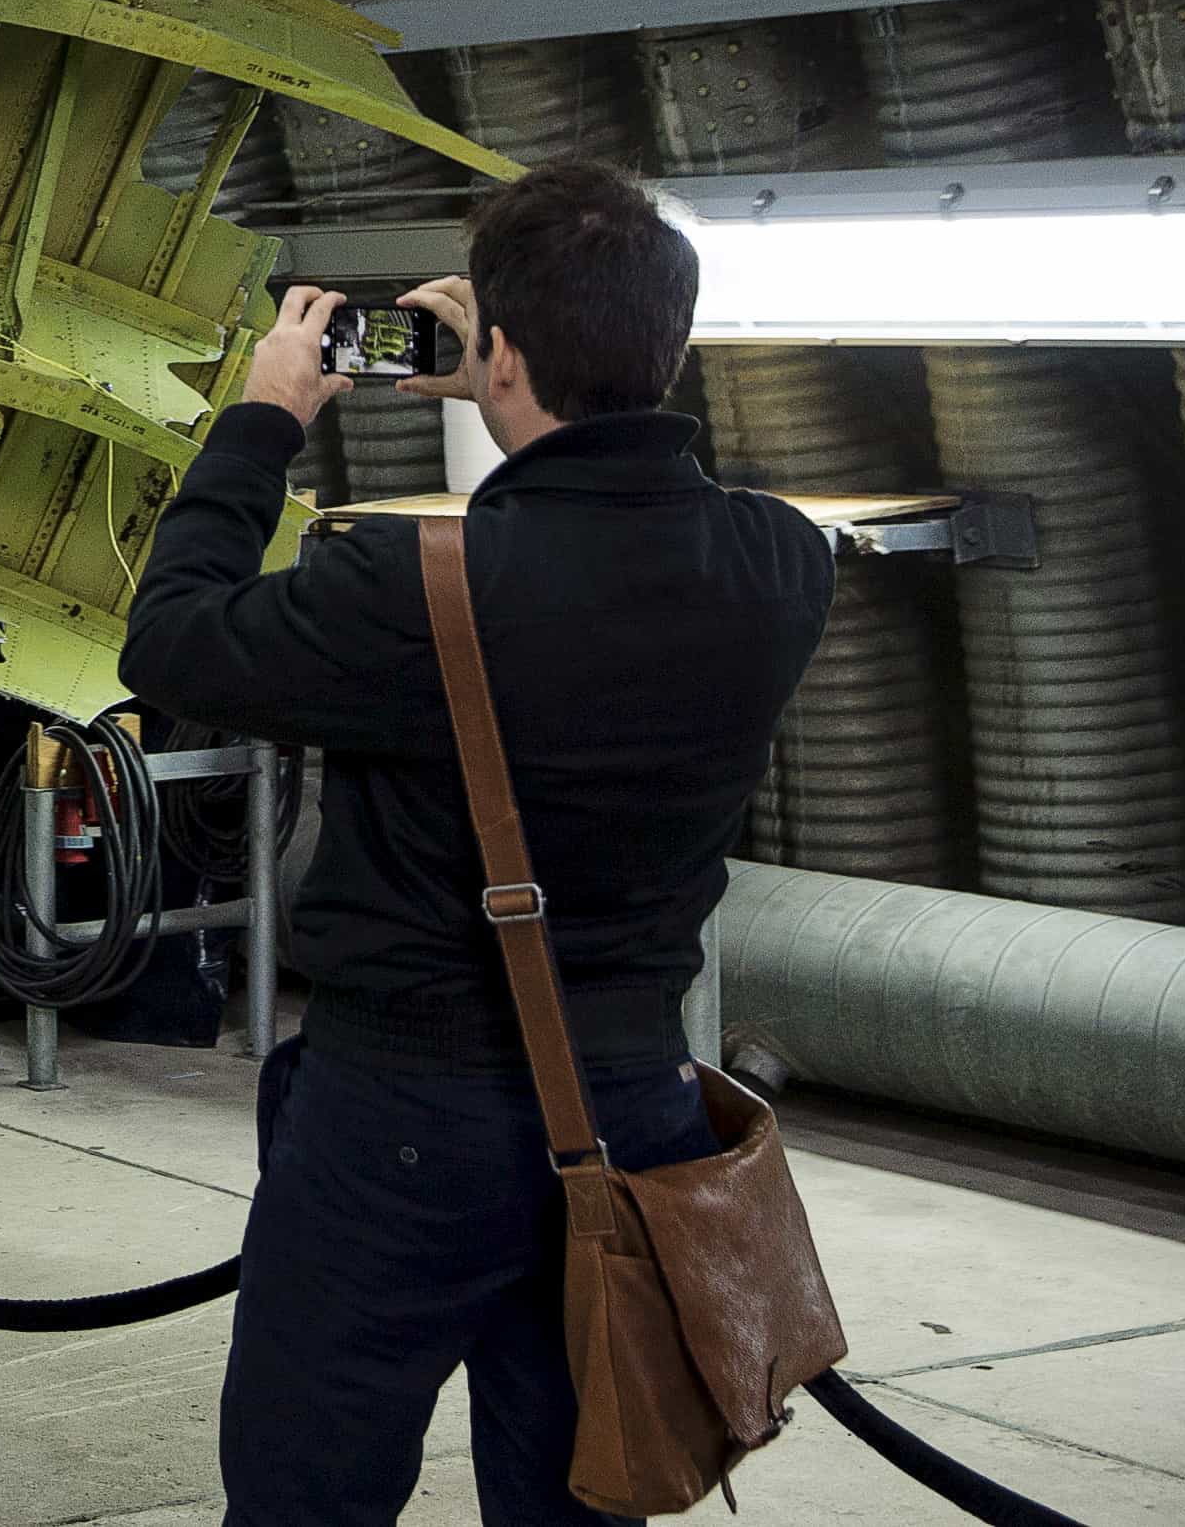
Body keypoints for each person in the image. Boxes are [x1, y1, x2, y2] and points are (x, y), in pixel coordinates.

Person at [120, 159, 831, 1526]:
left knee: (306, 1494)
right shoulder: (781, 568)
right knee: (583, 1490)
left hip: (400, 1120)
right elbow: (659, 516)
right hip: (634, 1111)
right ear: (670, 348)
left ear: (496, 352)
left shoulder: (410, 583)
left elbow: (172, 641)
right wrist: (536, 396)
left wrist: (265, 419)